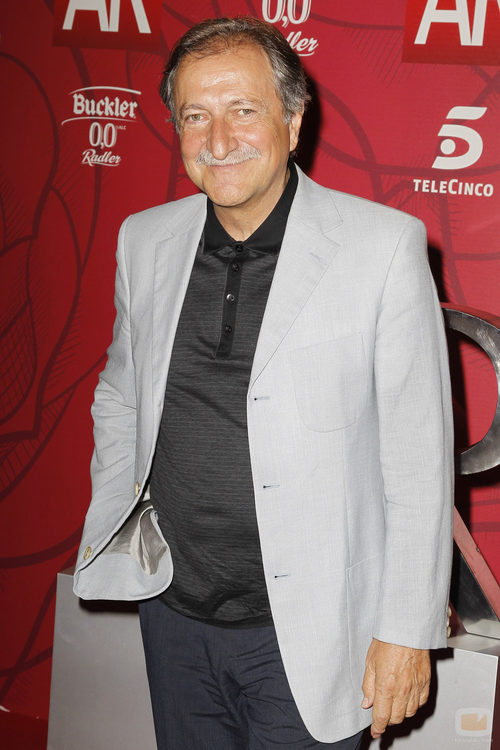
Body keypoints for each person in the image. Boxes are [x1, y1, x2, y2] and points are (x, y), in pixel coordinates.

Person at [73, 16, 454, 750]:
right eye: (195, 116)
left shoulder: (381, 247)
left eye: (243, 109)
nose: (219, 140)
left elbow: (417, 453)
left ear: (293, 119)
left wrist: (406, 629)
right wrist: (119, 517)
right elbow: (121, 392)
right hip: (174, 611)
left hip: (314, 629)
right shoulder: (143, 240)